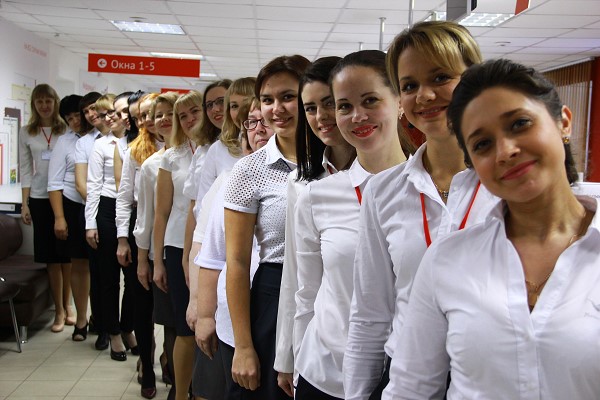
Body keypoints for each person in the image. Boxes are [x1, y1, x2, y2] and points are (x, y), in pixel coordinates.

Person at [383, 58, 600, 399]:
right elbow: (410, 388)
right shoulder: (448, 259)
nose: (505, 151)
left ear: (563, 122)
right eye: (482, 144)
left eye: (520, 124)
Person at [343, 21, 498, 400]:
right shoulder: (384, 190)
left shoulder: (507, 184)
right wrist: (357, 393)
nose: (424, 96)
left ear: (474, 80)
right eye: (409, 86)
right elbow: (370, 312)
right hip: (405, 379)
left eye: (441, 77)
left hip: (491, 381)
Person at [225, 54, 310, 399]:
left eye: (288, 96)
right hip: (273, 293)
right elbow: (236, 262)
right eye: (267, 99)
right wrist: (243, 346)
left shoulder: (336, 161)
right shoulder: (249, 170)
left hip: (331, 291)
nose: (277, 109)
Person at [274, 55, 356, 397]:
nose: (321, 116)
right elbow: (297, 279)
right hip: (322, 356)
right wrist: (287, 356)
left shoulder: (394, 178)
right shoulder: (302, 184)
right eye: (310, 108)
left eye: (330, 103)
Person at [195, 97, 273, 396]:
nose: (259, 129)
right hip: (234, 319)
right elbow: (212, 254)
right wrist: (205, 315)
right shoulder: (232, 179)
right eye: (251, 122)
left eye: (265, 121)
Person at [153, 91, 202, 400]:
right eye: (182, 116)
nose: (188, 120)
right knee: (184, 326)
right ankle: (181, 392)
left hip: (208, 246)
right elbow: (161, 213)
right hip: (175, 248)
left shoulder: (222, 150)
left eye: (194, 112)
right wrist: (157, 261)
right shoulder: (172, 157)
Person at [85, 93, 137, 361]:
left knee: (134, 278)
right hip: (106, 209)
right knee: (108, 278)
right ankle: (113, 332)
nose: (110, 118)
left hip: (134, 210)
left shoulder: (137, 142)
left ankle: (128, 327)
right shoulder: (101, 145)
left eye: (115, 113)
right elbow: (93, 186)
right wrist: (90, 223)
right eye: (107, 115)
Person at [135, 92, 179, 399]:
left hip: (190, 253)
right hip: (158, 254)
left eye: (170, 113)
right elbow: (146, 217)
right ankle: (171, 379)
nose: (163, 119)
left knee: (184, 326)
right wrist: (143, 260)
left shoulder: (200, 155)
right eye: (158, 114)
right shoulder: (151, 165)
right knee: (169, 323)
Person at [18, 83, 71, 333]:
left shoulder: (66, 129)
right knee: (51, 258)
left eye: (48, 101)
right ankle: (58, 311)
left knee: (67, 256)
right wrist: (25, 203)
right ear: (33, 105)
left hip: (64, 195)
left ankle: (68, 306)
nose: (44, 105)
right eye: (39, 101)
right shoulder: (26, 132)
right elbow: (25, 169)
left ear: (55, 102)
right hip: (39, 198)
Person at [48, 94, 91, 341]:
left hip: (99, 206)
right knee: (79, 264)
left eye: (78, 115)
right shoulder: (64, 142)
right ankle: (81, 320)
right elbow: (54, 183)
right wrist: (59, 218)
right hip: (73, 207)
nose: (75, 121)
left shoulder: (99, 138)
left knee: (99, 268)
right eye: (69, 118)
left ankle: (101, 320)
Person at [74, 91, 110, 350]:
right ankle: (103, 327)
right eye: (86, 111)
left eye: (94, 108)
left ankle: (123, 327)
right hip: (94, 213)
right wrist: (99, 210)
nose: (91, 114)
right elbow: (82, 183)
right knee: (99, 276)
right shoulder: (85, 143)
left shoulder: (124, 137)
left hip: (121, 213)